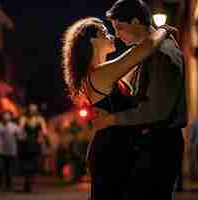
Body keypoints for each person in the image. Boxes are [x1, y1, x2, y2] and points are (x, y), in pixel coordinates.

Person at [61, 12, 179, 200]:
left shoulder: (106, 71)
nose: (112, 36)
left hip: (118, 148)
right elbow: (144, 49)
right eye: (104, 33)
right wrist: (163, 30)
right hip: (111, 152)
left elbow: (138, 59)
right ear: (92, 41)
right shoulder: (99, 74)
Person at [19, 104, 47, 193]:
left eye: (34, 109)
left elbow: (44, 131)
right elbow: (21, 129)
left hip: (35, 143)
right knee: (27, 164)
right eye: (31, 109)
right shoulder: (24, 118)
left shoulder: (40, 119)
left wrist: (41, 137)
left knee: (35, 164)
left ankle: (31, 185)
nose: (32, 111)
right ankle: (27, 184)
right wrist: (23, 135)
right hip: (26, 143)